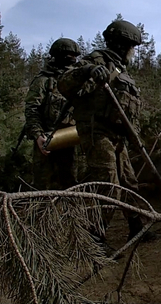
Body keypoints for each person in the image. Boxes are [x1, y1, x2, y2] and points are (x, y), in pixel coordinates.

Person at [58, 20, 150, 242]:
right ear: (122, 45)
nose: (133, 52)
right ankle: (94, 241)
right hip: (97, 132)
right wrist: (88, 70)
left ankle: (137, 228)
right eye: (132, 47)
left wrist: (135, 137)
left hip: (117, 135)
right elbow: (64, 83)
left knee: (129, 182)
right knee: (109, 185)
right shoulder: (96, 61)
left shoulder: (121, 70)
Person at [24, 38, 80, 190]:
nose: (72, 59)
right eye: (68, 55)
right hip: (45, 140)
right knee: (43, 186)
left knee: (69, 184)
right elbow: (32, 109)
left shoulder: (76, 82)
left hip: (69, 140)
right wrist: (37, 135)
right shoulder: (43, 81)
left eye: (74, 56)